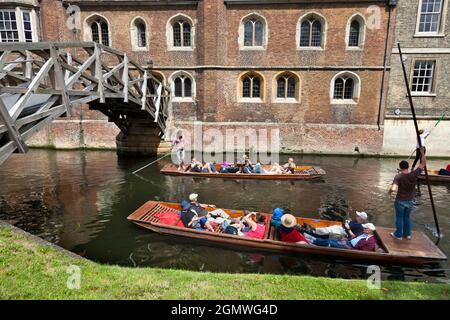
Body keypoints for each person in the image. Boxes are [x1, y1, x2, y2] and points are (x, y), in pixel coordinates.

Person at [388, 147, 426, 240]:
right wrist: (422, 153)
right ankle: (408, 234)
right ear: (408, 167)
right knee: (407, 218)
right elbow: (423, 163)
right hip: (410, 201)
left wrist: (389, 192)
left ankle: (398, 235)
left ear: (400, 168)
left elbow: (393, 189)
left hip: (400, 201)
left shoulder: (398, 176)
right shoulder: (414, 174)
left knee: (399, 218)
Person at [303, 223, 378, 252]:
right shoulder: (363, 233)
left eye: (365, 228)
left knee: (331, 242)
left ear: (369, 230)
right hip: (348, 242)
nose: (363, 229)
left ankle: (312, 241)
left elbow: (362, 252)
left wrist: (347, 246)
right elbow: (354, 238)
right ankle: (314, 236)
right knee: (332, 236)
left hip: (350, 248)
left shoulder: (371, 241)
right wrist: (346, 239)